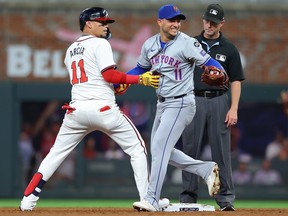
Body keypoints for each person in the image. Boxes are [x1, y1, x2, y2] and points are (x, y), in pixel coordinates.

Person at [19, 7, 167, 211]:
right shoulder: (100, 43)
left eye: (106, 23)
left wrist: (116, 86)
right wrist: (139, 79)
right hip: (103, 109)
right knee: (137, 149)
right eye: (102, 22)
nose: (106, 26)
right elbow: (109, 76)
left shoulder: (71, 49)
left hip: (76, 111)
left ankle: (28, 199)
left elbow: (95, 80)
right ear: (88, 24)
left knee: (55, 154)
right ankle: (148, 199)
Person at [131, 4, 225, 212]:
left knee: (160, 148)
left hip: (181, 102)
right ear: (160, 22)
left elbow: (211, 63)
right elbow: (140, 68)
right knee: (158, 149)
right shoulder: (149, 44)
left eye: (178, 20)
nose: (176, 24)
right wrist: (125, 80)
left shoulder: (187, 43)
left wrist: (219, 72)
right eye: (172, 20)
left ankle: (152, 198)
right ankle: (205, 168)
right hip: (162, 103)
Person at [180, 4, 245, 211]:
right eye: (207, 20)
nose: (209, 25)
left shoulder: (228, 48)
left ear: (221, 23)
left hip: (219, 100)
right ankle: (188, 198)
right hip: (194, 99)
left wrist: (233, 108)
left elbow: (236, 80)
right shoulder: (191, 43)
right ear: (202, 20)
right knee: (190, 150)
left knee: (222, 152)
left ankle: (225, 199)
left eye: (214, 22)